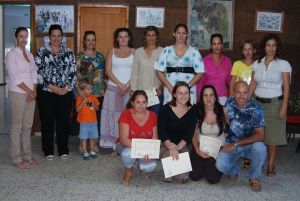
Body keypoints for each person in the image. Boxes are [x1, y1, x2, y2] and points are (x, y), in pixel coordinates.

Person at [249, 34, 291, 177]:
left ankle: (270, 164)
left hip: (275, 104)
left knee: (272, 138)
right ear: (264, 47)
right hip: (257, 104)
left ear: (277, 47)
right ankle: (256, 160)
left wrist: (284, 107)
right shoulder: (257, 63)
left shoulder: (284, 64)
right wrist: (245, 103)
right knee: (257, 135)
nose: (271, 48)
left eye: (274, 45)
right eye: (268, 45)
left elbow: (286, 86)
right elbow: (253, 84)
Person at [35, 24, 76, 160]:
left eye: (59, 36)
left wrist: (65, 87)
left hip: (65, 92)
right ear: (49, 37)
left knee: (63, 122)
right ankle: (48, 150)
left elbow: (72, 71)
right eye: (54, 35)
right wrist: (52, 87)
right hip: (47, 92)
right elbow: (38, 72)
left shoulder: (69, 52)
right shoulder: (41, 52)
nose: (56, 38)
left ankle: (63, 149)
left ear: (62, 37)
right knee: (47, 121)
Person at [216, 81, 267, 192]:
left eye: (245, 92)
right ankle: (234, 171)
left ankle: (254, 177)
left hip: (250, 145)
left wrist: (236, 144)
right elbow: (224, 120)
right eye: (238, 92)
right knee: (220, 165)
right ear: (233, 93)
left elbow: (261, 136)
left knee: (261, 148)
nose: (241, 96)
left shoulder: (256, 108)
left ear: (249, 93)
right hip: (232, 143)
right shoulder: (229, 102)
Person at [5, 27, 38, 169]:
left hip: (31, 93)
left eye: (26, 36)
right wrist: (29, 91)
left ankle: (27, 155)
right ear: (16, 38)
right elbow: (15, 77)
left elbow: (34, 73)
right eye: (21, 36)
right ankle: (16, 157)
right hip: (18, 93)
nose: (24, 39)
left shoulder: (29, 54)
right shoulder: (11, 55)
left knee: (28, 126)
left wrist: (34, 91)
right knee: (17, 126)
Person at [155, 23, 205, 105]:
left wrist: (187, 87)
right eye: (178, 33)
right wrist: (169, 86)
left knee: (188, 113)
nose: (181, 36)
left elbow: (200, 72)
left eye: (184, 33)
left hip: (189, 88)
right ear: (174, 34)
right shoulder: (166, 50)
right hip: (171, 88)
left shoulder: (194, 51)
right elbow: (158, 71)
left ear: (187, 35)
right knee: (170, 113)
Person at [100, 28, 134, 149]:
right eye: (120, 37)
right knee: (112, 116)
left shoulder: (134, 52)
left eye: (125, 36)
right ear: (117, 39)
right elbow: (107, 71)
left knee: (127, 116)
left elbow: (136, 72)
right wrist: (120, 85)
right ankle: (113, 144)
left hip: (129, 90)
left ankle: (125, 143)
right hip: (113, 88)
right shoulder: (112, 51)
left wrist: (127, 85)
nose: (123, 39)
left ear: (129, 38)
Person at [158, 81, 197, 183]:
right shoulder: (165, 109)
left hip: (183, 145)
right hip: (165, 144)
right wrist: (170, 146)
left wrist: (178, 148)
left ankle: (173, 172)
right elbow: (161, 131)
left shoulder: (192, 110)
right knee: (170, 160)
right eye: (180, 93)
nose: (183, 96)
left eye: (186, 93)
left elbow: (189, 134)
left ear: (189, 94)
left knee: (181, 179)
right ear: (174, 94)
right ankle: (169, 171)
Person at [116, 90, 158, 185]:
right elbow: (123, 139)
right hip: (126, 146)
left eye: (144, 102)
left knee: (151, 166)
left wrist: (149, 153)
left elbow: (154, 139)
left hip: (144, 148)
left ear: (147, 103)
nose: (141, 105)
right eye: (138, 102)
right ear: (132, 103)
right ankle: (128, 170)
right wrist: (142, 150)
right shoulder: (126, 114)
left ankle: (141, 166)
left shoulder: (153, 115)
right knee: (128, 153)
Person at [74, 31, 106, 152]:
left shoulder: (100, 56)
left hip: (98, 93)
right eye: (88, 40)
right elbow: (75, 76)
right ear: (84, 41)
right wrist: (79, 91)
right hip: (83, 94)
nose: (91, 42)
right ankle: (82, 143)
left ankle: (94, 143)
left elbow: (103, 75)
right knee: (83, 118)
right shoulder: (79, 56)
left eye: (93, 39)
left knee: (95, 118)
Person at [189, 85, 225, 184]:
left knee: (212, 178)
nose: (208, 98)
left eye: (211, 95)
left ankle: (210, 164)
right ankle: (203, 162)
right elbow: (194, 135)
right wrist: (197, 151)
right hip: (201, 146)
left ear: (215, 97)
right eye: (205, 95)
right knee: (194, 176)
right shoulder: (197, 110)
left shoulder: (223, 110)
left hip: (217, 147)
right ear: (202, 98)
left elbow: (231, 130)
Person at [229, 40, 256, 169]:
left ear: (254, 50)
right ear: (242, 51)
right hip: (238, 101)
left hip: (252, 101)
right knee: (238, 128)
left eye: (250, 49)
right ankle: (236, 153)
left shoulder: (258, 64)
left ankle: (248, 157)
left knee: (250, 129)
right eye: (245, 49)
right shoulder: (237, 64)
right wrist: (231, 99)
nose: (247, 52)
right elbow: (232, 82)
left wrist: (249, 98)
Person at [131, 26, 163, 115]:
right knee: (140, 119)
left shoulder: (162, 51)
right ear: (145, 37)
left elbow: (165, 73)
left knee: (154, 120)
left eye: (153, 35)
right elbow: (134, 72)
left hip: (155, 92)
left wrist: (161, 88)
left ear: (157, 37)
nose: (151, 38)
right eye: (148, 35)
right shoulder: (138, 52)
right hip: (140, 92)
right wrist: (133, 89)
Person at [196, 33, 232, 105]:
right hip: (208, 97)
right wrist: (199, 101)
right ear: (211, 46)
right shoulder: (204, 61)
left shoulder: (228, 61)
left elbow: (230, 82)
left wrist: (230, 98)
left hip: (223, 98)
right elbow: (200, 84)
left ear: (222, 45)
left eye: (219, 43)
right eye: (214, 44)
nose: (216, 46)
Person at [76, 79, 100, 160]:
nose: (90, 90)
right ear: (82, 90)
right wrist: (83, 101)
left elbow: (97, 108)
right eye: (88, 89)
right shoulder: (79, 98)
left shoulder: (93, 97)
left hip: (93, 122)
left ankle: (92, 150)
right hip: (84, 122)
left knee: (92, 137)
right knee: (84, 138)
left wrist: (94, 105)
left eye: (91, 89)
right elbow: (77, 109)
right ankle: (84, 151)